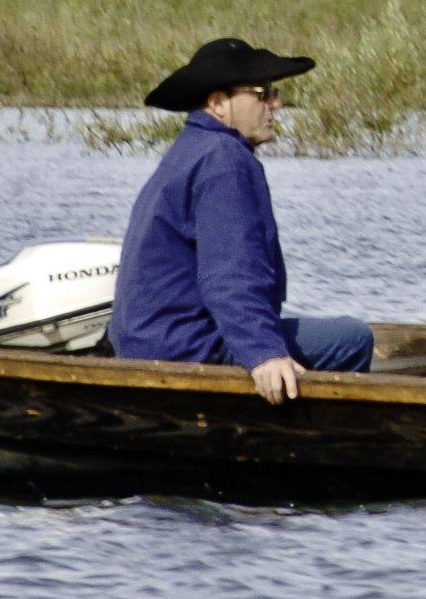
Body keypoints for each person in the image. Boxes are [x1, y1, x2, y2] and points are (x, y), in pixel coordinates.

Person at [111, 35, 374, 401]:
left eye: (274, 92)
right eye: (261, 93)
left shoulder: (192, 150)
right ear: (218, 103)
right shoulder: (224, 161)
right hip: (183, 346)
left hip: (147, 339)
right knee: (354, 338)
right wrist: (263, 353)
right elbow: (229, 274)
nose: (276, 104)